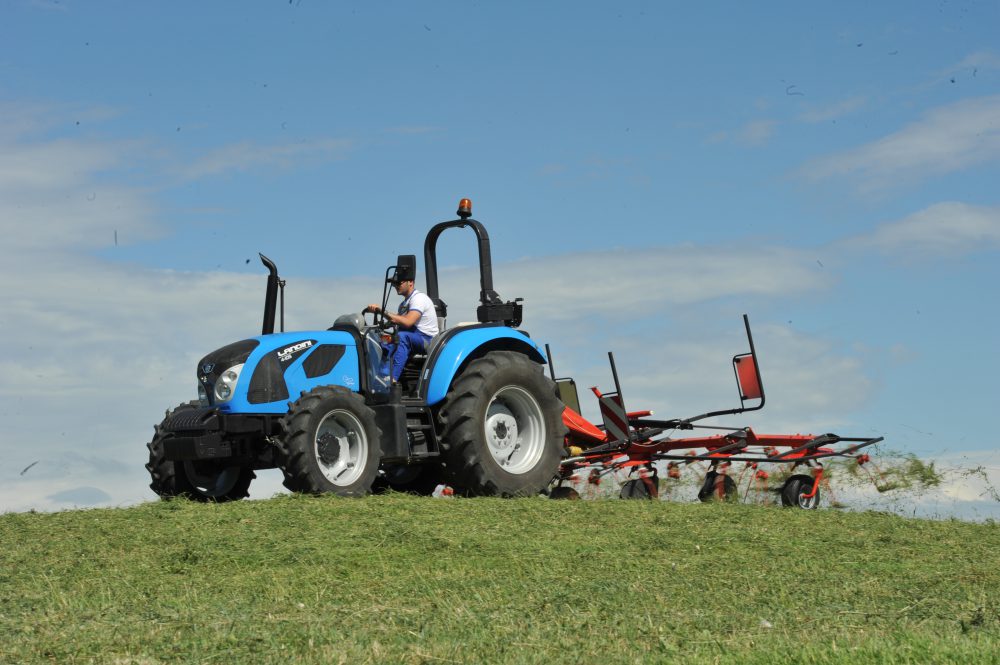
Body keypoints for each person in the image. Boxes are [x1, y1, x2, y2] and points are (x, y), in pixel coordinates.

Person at [365, 275, 439, 382]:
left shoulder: (419, 298)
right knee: (380, 340)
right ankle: (379, 375)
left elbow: (408, 322)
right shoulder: (404, 304)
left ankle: (392, 379)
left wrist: (382, 311)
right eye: (394, 283)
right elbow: (397, 320)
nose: (395, 286)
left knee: (401, 337)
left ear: (411, 282)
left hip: (426, 339)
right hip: (411, 336)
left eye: (399, 283)